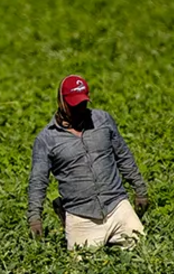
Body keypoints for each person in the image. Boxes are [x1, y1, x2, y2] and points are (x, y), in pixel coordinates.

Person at [28, 75, 150, 250]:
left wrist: (140, 190)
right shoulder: (47, 139)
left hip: (116, 205)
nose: (79, 108)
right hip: (81, 216)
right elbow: (38, 182)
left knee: (144, 252)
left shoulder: (103, 121)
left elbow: (123, 156)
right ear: (62, 102)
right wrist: (35, 218)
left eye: (82, 103)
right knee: (82, 271)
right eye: (74, 104)